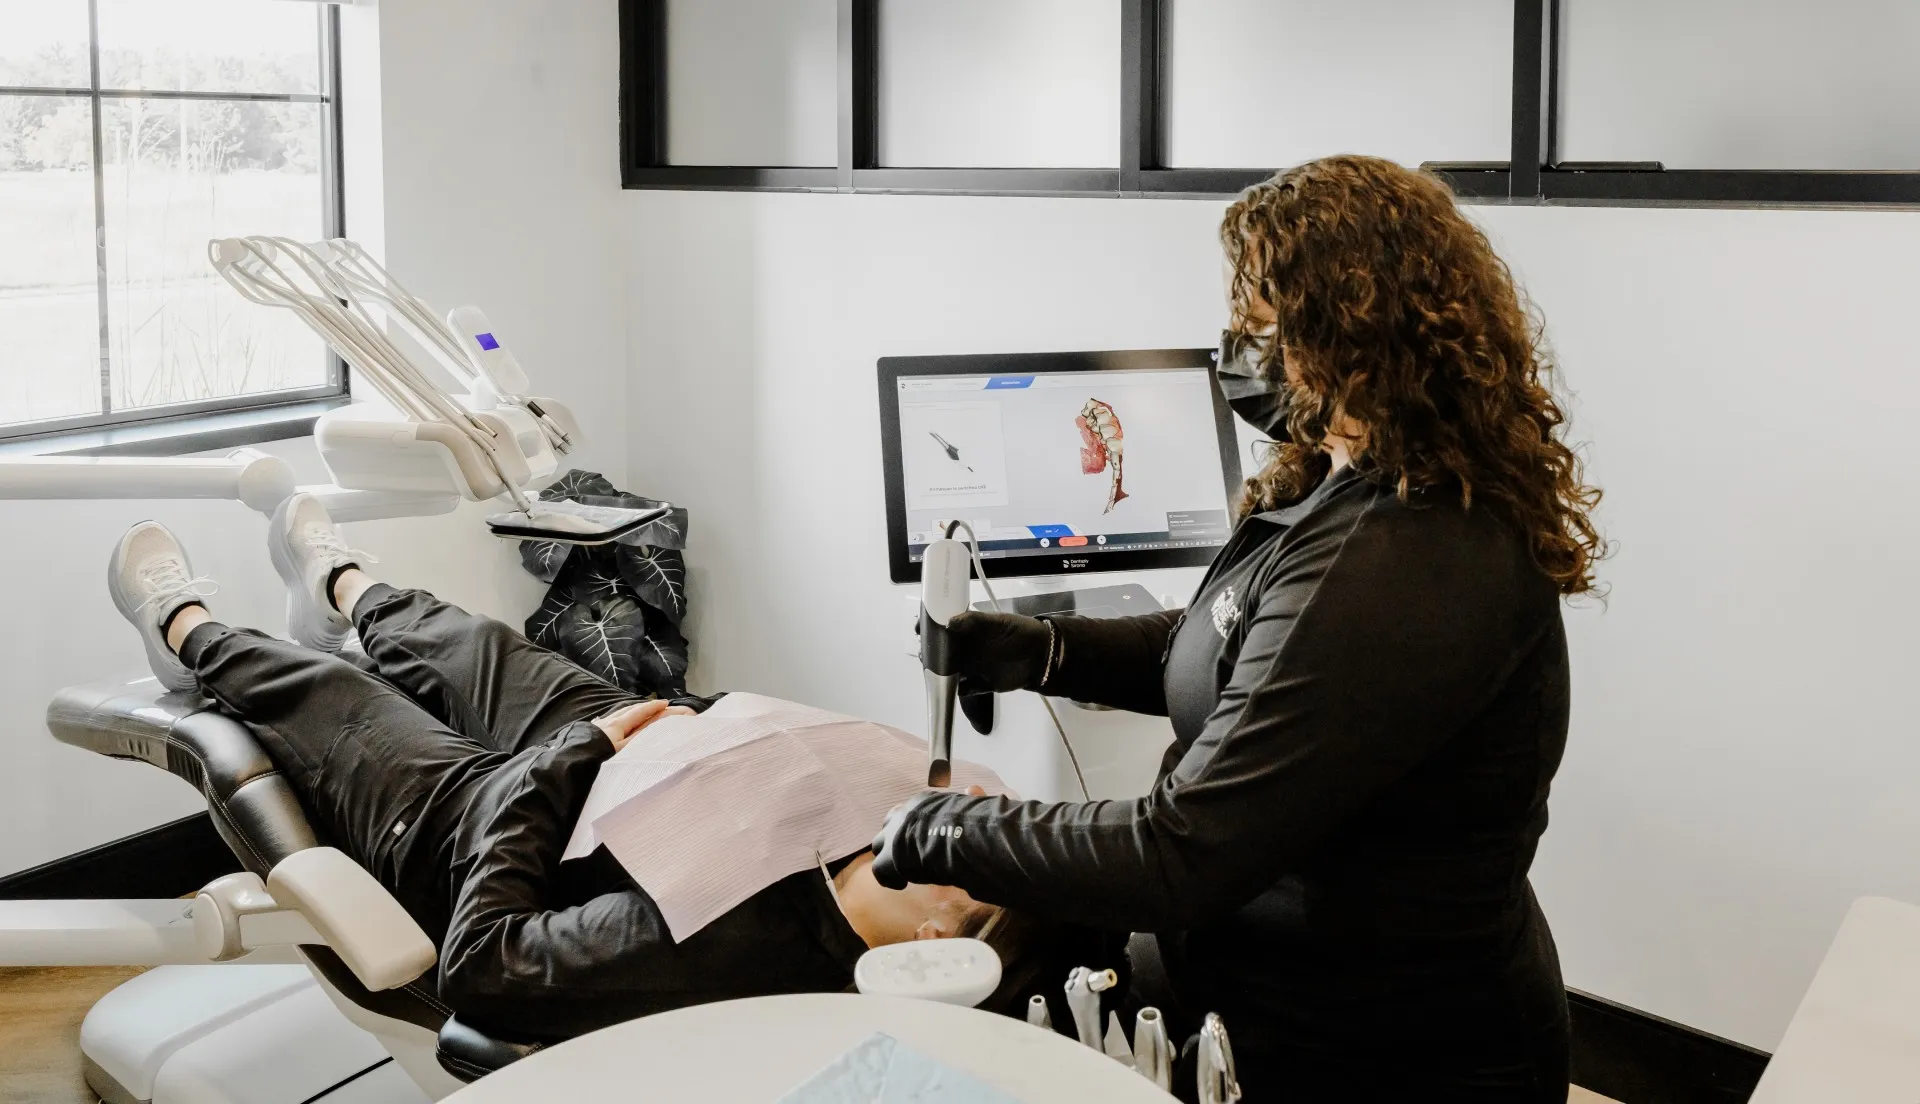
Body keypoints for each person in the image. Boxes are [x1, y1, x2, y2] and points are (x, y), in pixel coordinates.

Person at [871, 155, 1606, 1102]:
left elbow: (1184, 855)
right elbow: (1232, 643)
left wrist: (946, 829)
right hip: (1268, 997)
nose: (1236, 349)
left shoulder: (1410, 555)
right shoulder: (1343, 482)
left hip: (1391, 1050)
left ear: (1350, 330)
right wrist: (1035, 648)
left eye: (1259, 326)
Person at [104, 493, 1039, 1043]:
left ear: (936, 932)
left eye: (957, 858)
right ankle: (343, 588)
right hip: (636, 765)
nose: (943, 826)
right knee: (466, 640)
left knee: (321, 692)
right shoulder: (867, 848)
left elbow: (484, 964)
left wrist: (569, 761)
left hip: (483, 837)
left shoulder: (731, 943)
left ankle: (183, 629)